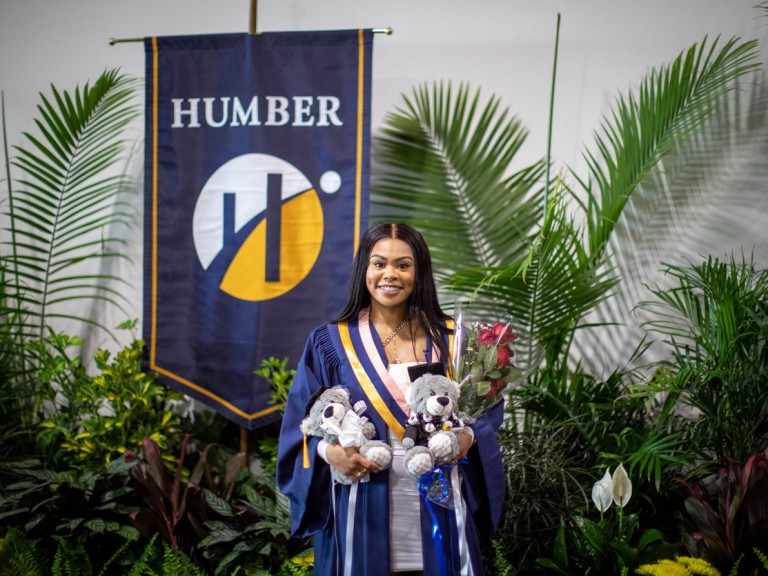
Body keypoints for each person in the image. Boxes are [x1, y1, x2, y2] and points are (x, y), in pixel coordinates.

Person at [276, 222, 505, 576]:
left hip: (438, 500)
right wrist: (330, 452)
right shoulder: (331, 343)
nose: (390, 275)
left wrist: (467, 436)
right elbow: (300, 423)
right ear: (364, 270)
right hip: (363, 503)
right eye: (379, 263)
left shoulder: (452, 339)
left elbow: (486, 411)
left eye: (403, 265)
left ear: (419, 272)